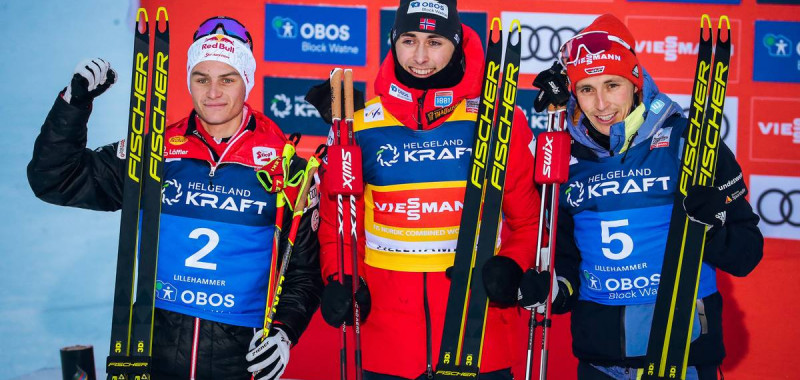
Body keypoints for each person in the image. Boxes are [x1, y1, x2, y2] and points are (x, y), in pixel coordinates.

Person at [27, 16, 322, 380]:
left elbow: (305, 273)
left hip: (239, 360)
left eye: (226, 79)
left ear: (246, 81)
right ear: (189, 82)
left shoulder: (286, 166)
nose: (213, 92)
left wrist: (284, 331)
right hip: (154, 354)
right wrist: (74, 104)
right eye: (202, 78)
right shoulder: (152, 152)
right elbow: (56, 178)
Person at [522, 14, 764, 380]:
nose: (601, 104)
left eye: (613, 85)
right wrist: (553, 288)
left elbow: (746, 254)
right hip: (599, 361)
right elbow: (569, 265)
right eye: (586, 89)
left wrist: (711, 228)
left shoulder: (689, 142)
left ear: (635, 83)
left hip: (682, 354)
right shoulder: (566, 158)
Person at [315, 0, 541, 379]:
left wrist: (514, 265)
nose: (419, 56)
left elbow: (530, 221)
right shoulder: (359, 127)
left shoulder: (500, 119)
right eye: (409, 40)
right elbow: (337, 226)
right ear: (393, 42)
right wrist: (341, 278)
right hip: (387, 348)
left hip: (478, 338)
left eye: (435, 42)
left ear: (456, 44)